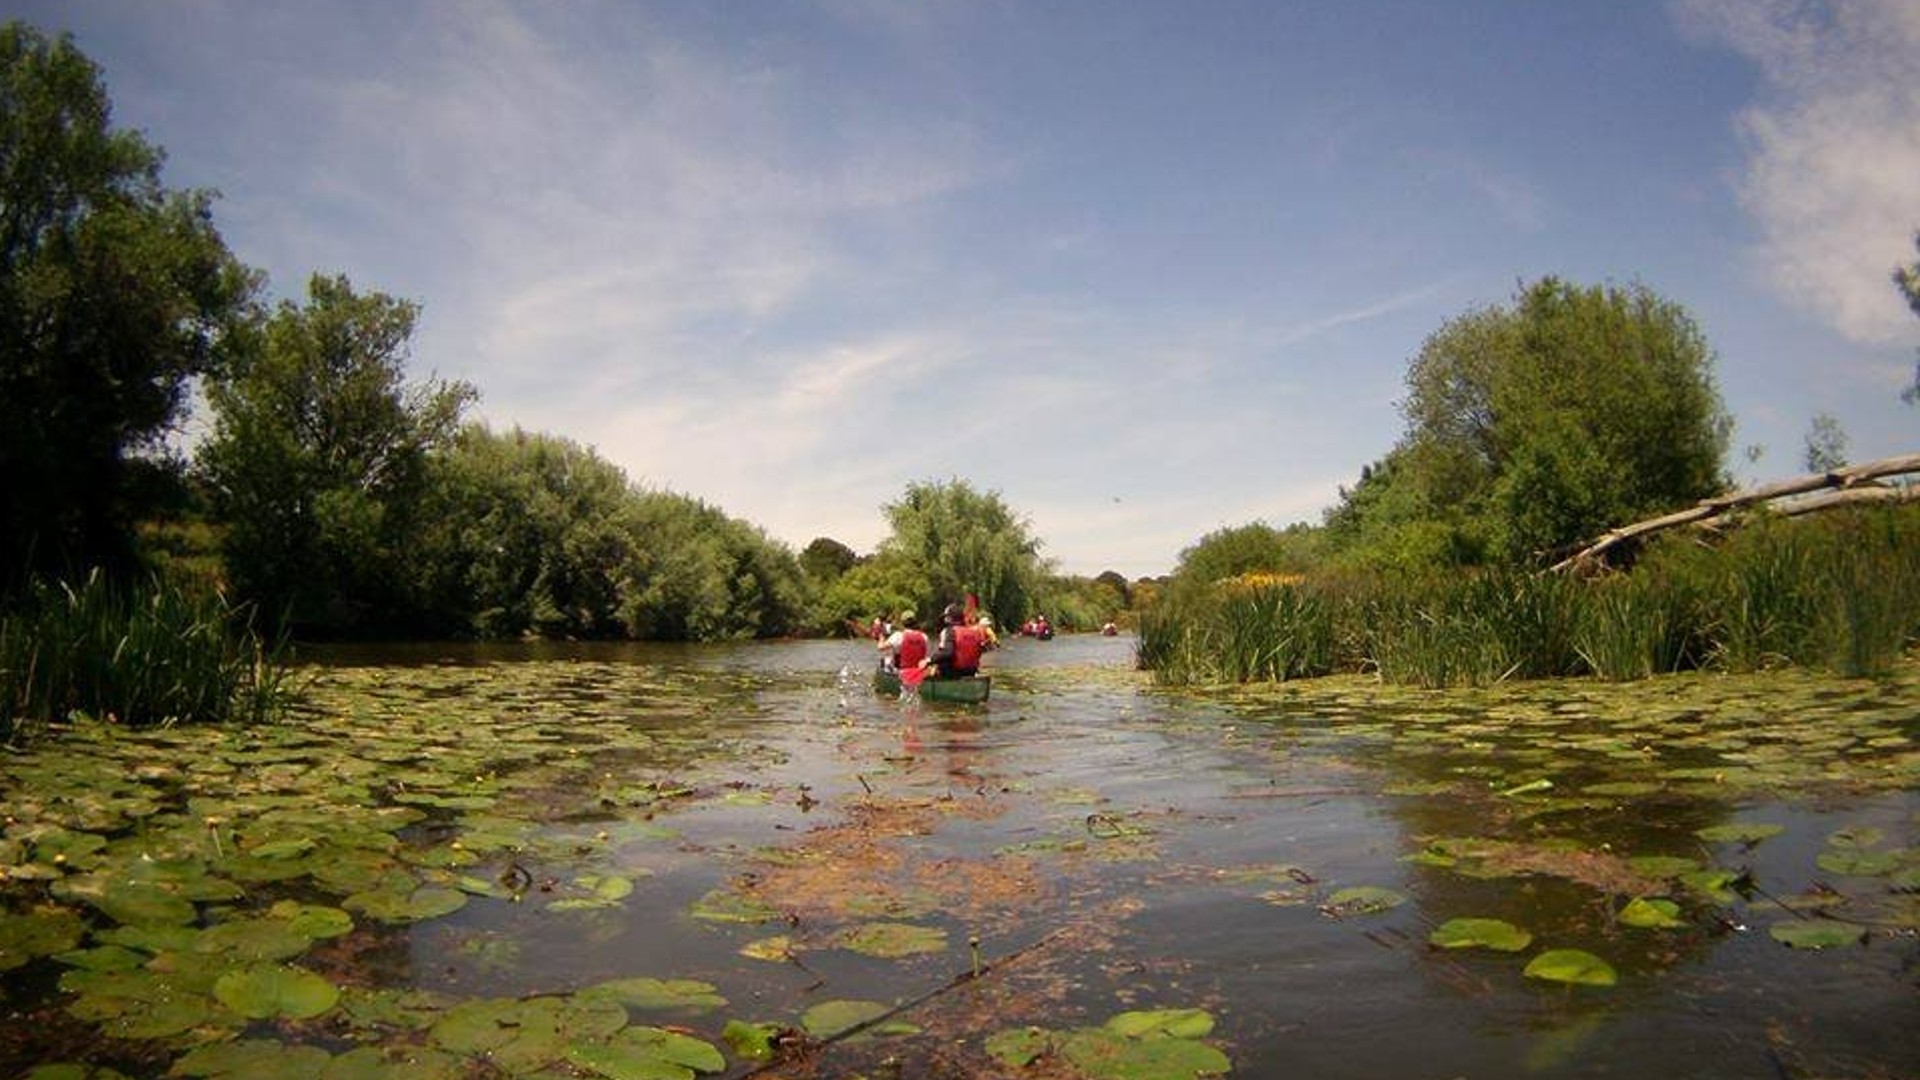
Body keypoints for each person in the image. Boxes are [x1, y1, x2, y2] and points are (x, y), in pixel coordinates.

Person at [930, 603, 986, 678]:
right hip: (971, 672)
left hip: (952, 673)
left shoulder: (949, 631)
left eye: (945, 617)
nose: (944, 619)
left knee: (936, 662)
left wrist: (929, 660)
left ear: (949, 618)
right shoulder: (974, 632)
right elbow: (981, 650)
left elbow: (947, 653)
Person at [879, 611, 930, 686]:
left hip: (903, 674)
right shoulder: (924, 636)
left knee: (886, 660)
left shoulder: (898, 636)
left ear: (903, 623)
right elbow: (925, 656)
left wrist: (881, 637)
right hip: (919, 674)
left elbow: (880, 648)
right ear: (915, 622)